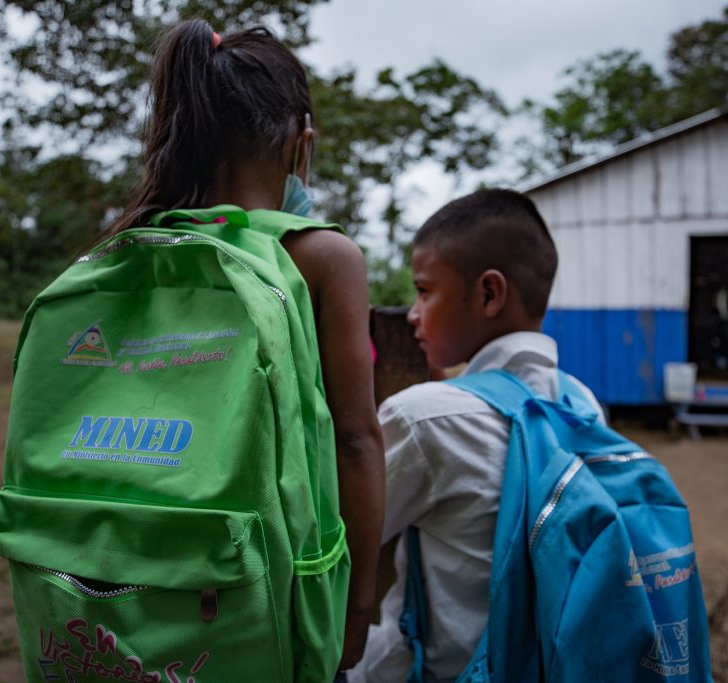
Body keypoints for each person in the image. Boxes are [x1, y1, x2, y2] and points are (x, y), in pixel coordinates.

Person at [103, 20, 385, 673]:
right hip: (259, 598)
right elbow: (356, 440)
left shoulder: (129, 249)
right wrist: (359, 606)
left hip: (128, 588)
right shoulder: (322, 257)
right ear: (300, 144)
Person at [347, 188, 604, 682]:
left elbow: (332, 533)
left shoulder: (425, 419)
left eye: (424, 291)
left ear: (489, 293)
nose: (414, 314)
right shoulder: (582, 404)